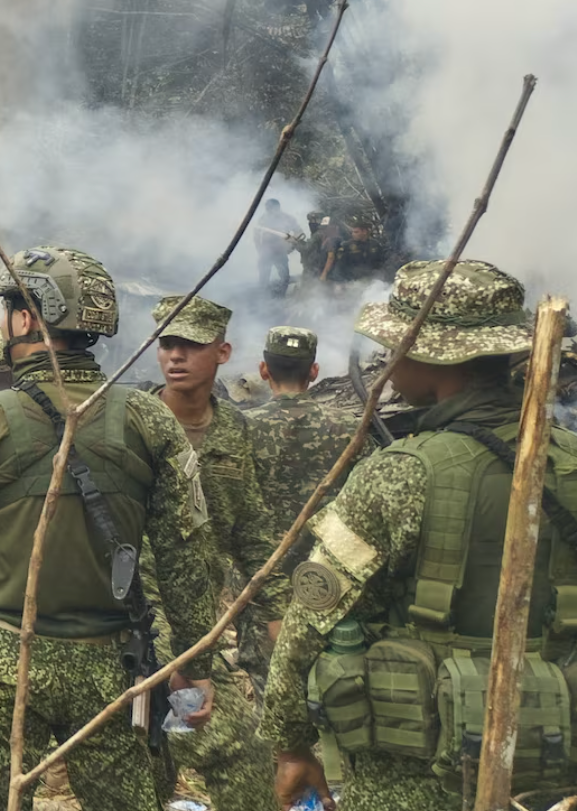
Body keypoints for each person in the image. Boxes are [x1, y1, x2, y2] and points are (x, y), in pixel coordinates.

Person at [264, 259, 577, 811]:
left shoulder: (400, 471)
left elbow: (313, 614)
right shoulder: (571, 463)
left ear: (429, 355)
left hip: (415, 772)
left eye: (394, 349)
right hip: (555, 763)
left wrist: (290, 744)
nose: (388, 363)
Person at [0, 246, 220, 811]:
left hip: (4, 661)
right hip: (111, 663)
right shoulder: (147, 417)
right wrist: (194, 664)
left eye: (11, 309)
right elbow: (187, 554)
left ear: (29, 319)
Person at [145, 295, 272, 811]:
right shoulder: (135, 426)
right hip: (140, 624)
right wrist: (177, 659)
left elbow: (253, 531)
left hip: (198, 623)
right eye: (167, 344)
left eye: (190, 345)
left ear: (222, 352)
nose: (175, 356)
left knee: (171, 754)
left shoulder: (235, 432)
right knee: (223, 748)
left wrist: (276, 609)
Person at [241, 326, 359, 666]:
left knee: (268, 688)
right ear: (313, 371)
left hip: (260, 588)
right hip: (329, 586)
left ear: (264, 371)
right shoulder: (350, 428)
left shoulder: (240, 428)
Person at [254, 199, 301, 296]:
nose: (269, 211)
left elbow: (298, 232)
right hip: (266, 252)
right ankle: (263, 298)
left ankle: (281, 296)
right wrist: (260, 250)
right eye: (267, 209)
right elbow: (256, 236)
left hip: (280, 252)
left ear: (277, 208)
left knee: (284, 276)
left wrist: (291, 247)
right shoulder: (263, 219)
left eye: (271, 208)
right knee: (263, 277)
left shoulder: (287, 218)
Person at [322, 214, 380, 285]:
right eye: (352, 232)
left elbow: (380, 264)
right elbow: (339, 267)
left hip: (372, 281)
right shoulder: (347, 246)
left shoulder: (375, 245)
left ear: (364, 232)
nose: (353, 234)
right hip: (351, 282)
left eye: (356, 232)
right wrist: (339, 283)